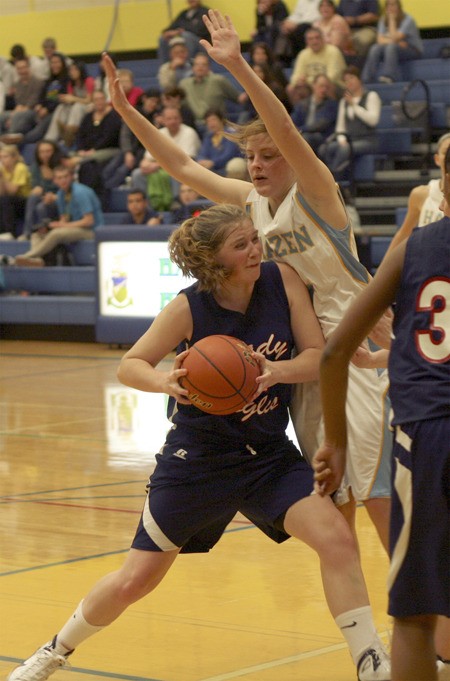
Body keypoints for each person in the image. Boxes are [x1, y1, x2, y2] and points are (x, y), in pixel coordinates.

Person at [7, 203, 389, 681]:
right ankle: (54, 650)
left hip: (267, 456)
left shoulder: (282, 279)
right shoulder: (189, 307)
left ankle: (370, 661)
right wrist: (166, 380)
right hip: (198, 461)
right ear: (215, 260)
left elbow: (318, 357)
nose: (256, 250)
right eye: (242, 244)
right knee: (135, 581)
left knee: (336, 539)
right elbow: (131, 364)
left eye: (255, 238)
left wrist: (274, 371)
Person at [102, 8, 393, 560]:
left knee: (377, 493)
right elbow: (185, 169)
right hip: (307, 360)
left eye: (267, 156)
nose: (256, 165)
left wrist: (236, 65)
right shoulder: (249, 204)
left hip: (356, 349)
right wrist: (128, 114)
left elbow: (282, 126)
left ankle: (423, 623)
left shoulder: (319, 194)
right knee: (335, 499)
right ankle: (369, 629)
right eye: (250, 157)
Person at [312, 148, 450, 681]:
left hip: (428, 434)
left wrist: (336, 444)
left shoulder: (414, 249)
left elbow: (332, 353)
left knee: (414, 614)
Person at [9, 165, 103, 268]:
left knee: (56, 234)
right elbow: (64, 219)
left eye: (65, 177)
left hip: (92, 231)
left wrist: (60, 226)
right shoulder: (61, 194)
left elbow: (89, 221)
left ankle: (26, 256)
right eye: (59, 178)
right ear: (54, 181)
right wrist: (52, 226)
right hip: (76, 229)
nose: (63, 180)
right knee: (36, 234)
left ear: (71, 177)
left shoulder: (80, 192)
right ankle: (36, 260)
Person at [385, 131, 450, 256]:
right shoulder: (420, 194)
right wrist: (382, 269)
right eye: (445, 153)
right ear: (437, 159)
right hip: (426, 264)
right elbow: (403, 234)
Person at [318, 65, 381, 182]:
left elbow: (373, 120)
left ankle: (332, 181)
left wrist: (354, 105)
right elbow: (340, 127)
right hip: (349, 140)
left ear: (359, 79)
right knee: (324, 148)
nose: (349, 82)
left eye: (351, 78)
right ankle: (333, 178)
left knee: (345, 149)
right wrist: (342, 139)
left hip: (368, 140)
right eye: (346, 80)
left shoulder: (371, 96)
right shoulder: (344, 101)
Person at [179, 53, 247, 129]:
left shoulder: (218, 80)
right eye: (197, 64)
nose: (200, 67)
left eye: (203, 64)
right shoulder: (184, 84)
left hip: (216, 125)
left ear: (209, 67)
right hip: (192, 125)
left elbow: (239, 98)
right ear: (193, 68)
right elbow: (178, 104)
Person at [361, 0, 423, 84]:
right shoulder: (383, 19)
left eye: (393, 5)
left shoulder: (408, 20)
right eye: (388, 5)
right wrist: (396, 42)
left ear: (399, 7)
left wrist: (392, 20)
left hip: (412, 49)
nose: (390, 7)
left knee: (391, 47)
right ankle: (366, 78)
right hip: (396, 47)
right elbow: (380, 40)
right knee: (375, 48)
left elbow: (394, 38)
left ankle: (389, 76)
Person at [44, 61, 95, 148]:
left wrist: (73, 99)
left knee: (77, 107)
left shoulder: (88, 80)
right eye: (70, 70)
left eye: (75, 70)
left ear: (81, 70)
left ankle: (69, 131)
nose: (72, 72)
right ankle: (50, 138)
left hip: (89, 106)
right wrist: (65, 99)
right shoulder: (71, 83)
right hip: (75, 107)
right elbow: (71, 99)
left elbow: (89, 100)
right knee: (61, 107)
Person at [287, 26, 347, 100]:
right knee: (291, 88)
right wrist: (297, 82)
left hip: (334, 85)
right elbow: (296, 75)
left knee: (324, 86)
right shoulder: (303, 54)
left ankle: (327, 111)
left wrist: (308, 81)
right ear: (307, 42)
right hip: (310, 86)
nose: (314, 41)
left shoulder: (333, 51)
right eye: (311, 39)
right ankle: (300, 111)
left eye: (317, 38)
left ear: (323, 39)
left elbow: (332, 77)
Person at [22, 140, 66, 239]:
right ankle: (28, 233)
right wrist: (36, 190)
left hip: (61, 199)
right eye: (41, 152)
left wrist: (55, 196)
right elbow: (35, 185)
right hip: (44, 197)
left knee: (41, 207)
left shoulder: (63, 165)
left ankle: (45, 234)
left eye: (48, 151)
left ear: (55, 151)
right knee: (33, 198)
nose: (45, 155)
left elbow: (68, 187)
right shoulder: (36, 167)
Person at [291, 73, 338, 154]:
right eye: (321, 86)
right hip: (302, 134)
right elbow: (293, 121)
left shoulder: (331, 105)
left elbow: (320, 125)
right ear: (313, 85)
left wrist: (301, 130)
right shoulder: (303, 103)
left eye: (326, 87)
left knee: (304, 138)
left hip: (321, 136)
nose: (323, 89)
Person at [0, 58, 43, 139]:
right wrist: (13, 114)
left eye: (24, 67)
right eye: (19, 68)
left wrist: (13, 116)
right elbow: (18, 102)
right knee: (2, 116)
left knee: (17, 116)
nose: (22, 71)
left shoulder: (38, 82)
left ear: (29, 67)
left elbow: (33, 101)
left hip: (33, 111)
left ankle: (11, 138)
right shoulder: (17, 84)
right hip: (20, 111)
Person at [274, 0, 321, 66]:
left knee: (301, 28)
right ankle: (282, 58)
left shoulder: (320, 1)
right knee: (280, 27)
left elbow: (316, 16)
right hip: (299, 24)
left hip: (312, 25)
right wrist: (288, 21)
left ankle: (297, 58)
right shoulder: (302, 1)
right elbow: (296, 14)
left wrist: (296, 24)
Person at [0, 144, 31, 240]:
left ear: (14, 158)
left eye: (5, 157)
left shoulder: (20, 168)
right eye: (1, 157)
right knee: (3, 200)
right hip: (11, 201)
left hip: (25, 201)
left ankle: (10, 232)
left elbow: (13, 191)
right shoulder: (3, 169)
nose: (2, 160)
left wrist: (2, 178)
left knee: (6, 200)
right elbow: (1, 193)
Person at [197, 109, 243, 174]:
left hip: (227, 166)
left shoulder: (230, 133)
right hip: (212, 168)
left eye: (213, 120)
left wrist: (213, 163)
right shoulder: (208, 137)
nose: (211, 124)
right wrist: (201, 161)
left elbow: (228, 155)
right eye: (208, 121)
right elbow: (202, 153)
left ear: (221, 120)